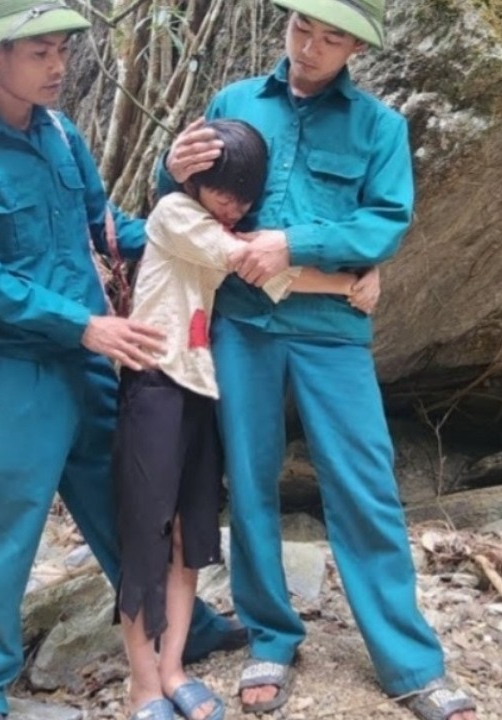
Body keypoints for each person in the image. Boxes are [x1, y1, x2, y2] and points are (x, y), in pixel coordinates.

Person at [0, 3, 244, 718]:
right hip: (15, 370)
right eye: (40, 52)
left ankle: (178, 631)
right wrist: (81, 325)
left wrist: (194, 238)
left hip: (93, 358)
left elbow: (107, 228)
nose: (59, 65)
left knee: (135, 505)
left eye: (62, 49)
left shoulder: (62, 133)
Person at [159, 2, 478, 719]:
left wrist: (294, 245)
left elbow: (383, 222)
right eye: (303, 27)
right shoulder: (235, 103)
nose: (311, 46)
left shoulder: (379, 127)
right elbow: (183, 203)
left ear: (354, 49)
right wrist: (167, 167)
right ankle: (271, 636)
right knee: (250, 478)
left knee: (363, 483)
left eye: (331, 37)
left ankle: (411, 663)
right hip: (242, 325)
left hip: (332, 328)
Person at [114, 119, 377, 720]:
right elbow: (250, 263)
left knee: (187, 537)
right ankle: (143, 686)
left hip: (200, 390)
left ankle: (175, 668)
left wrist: (358, 278)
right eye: (222, 190)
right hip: (154, 384)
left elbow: (272, 271)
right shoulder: (174, 215)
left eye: (244, 195)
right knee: (145, 537)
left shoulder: (219, 222)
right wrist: (347, 282)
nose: (233, 204)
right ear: (197, 181)